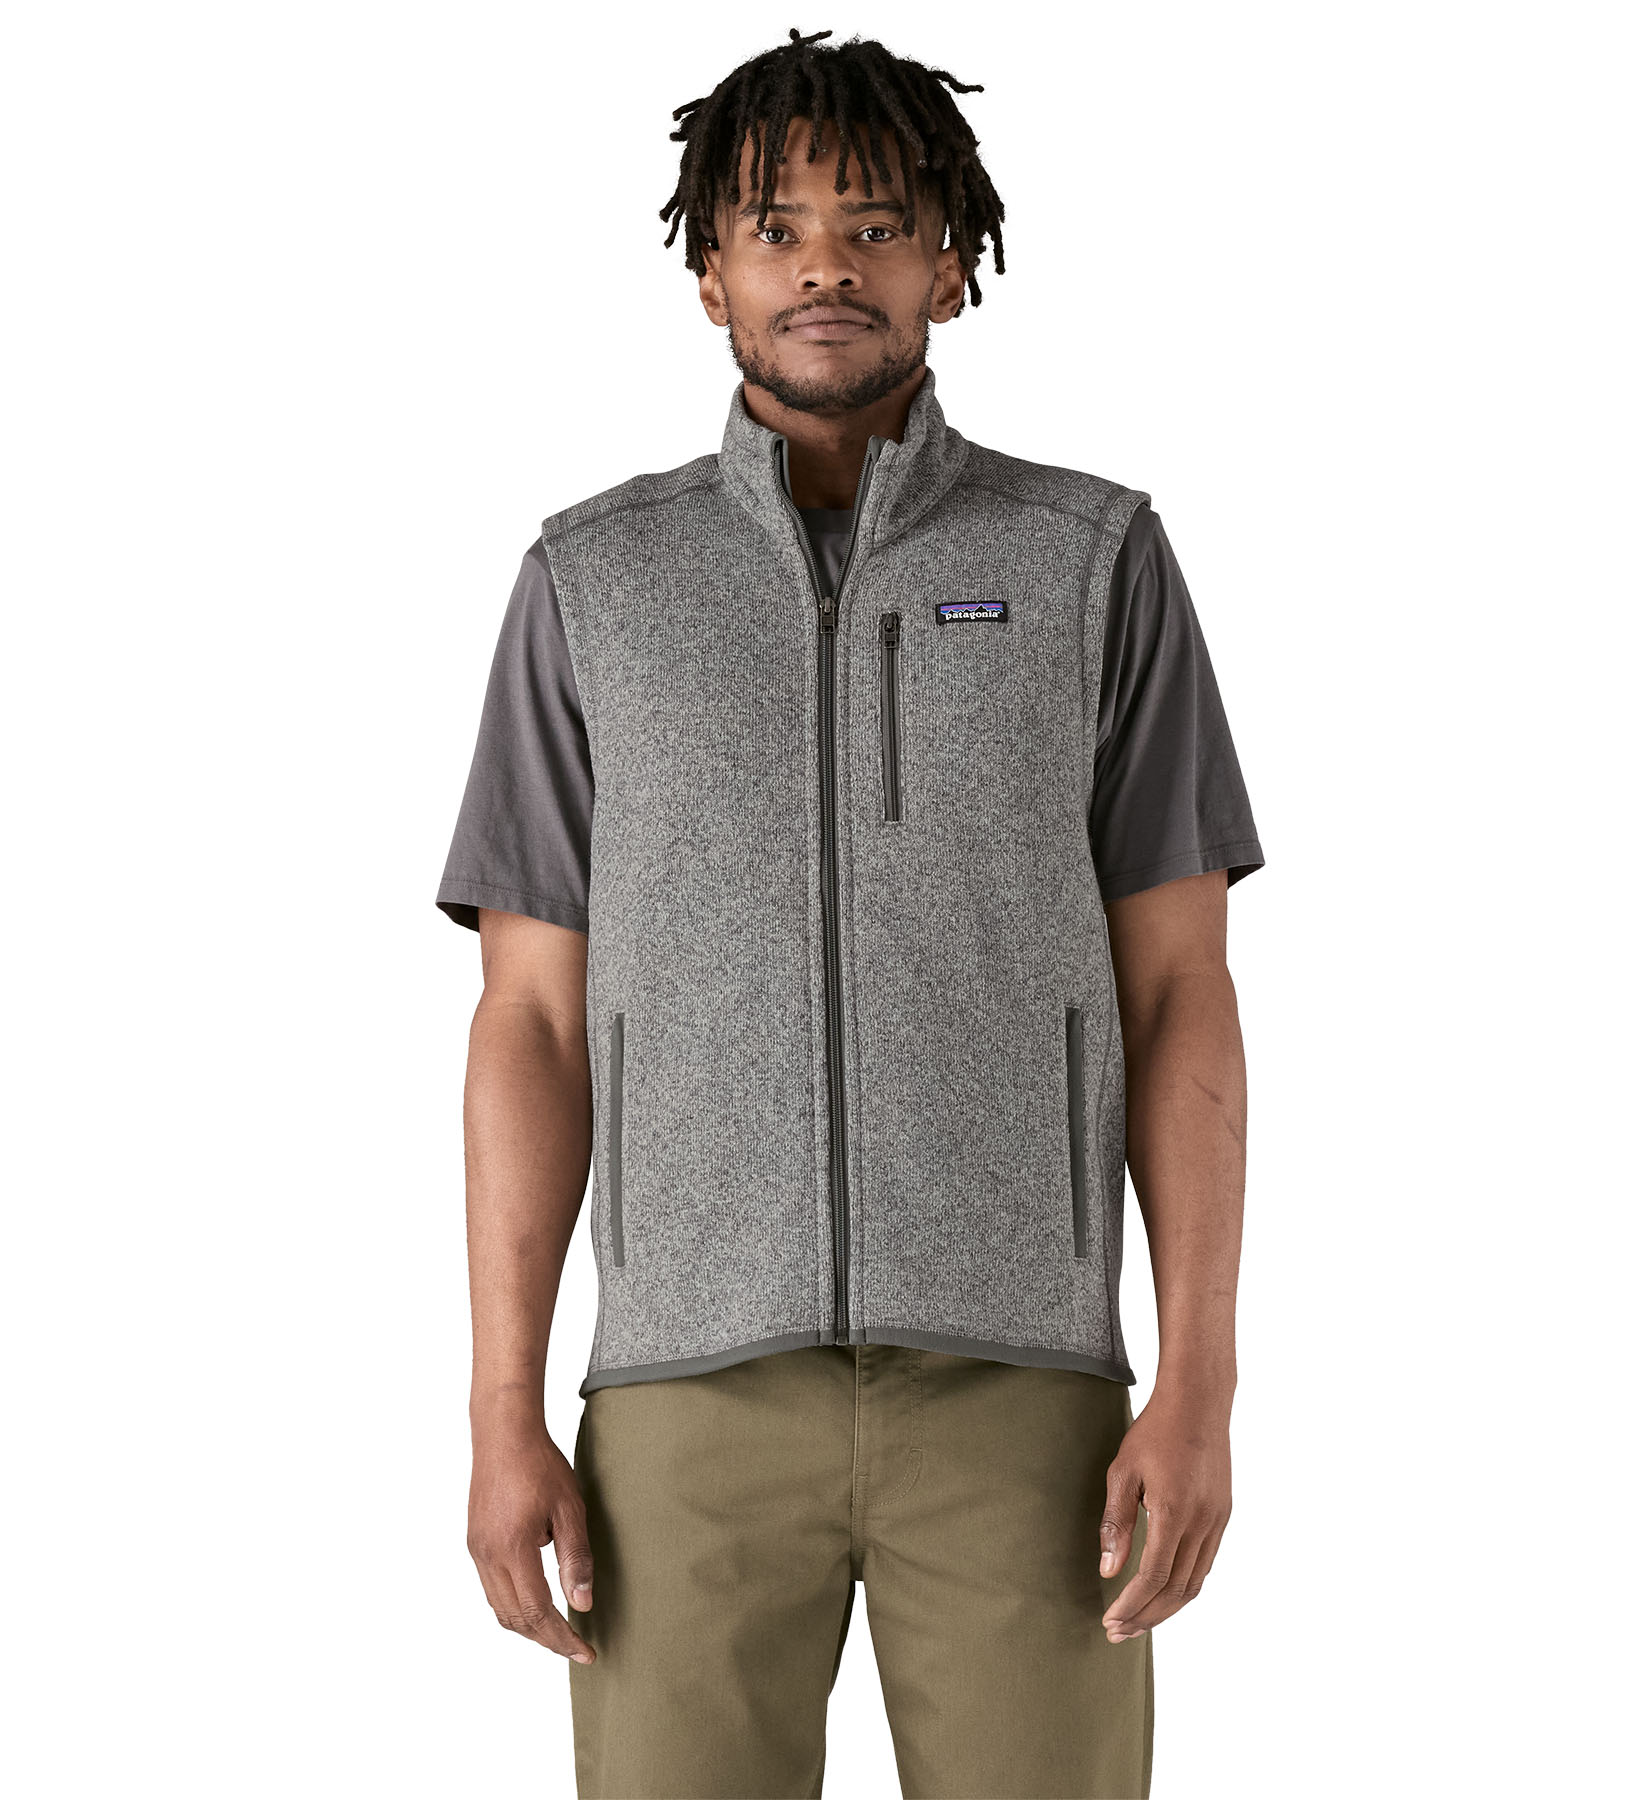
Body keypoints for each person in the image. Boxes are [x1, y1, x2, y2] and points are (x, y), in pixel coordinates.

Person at [436, 27, 1265, 1799]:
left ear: (950, 265)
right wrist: (506, 1404)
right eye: (777, 227)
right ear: (709, 272)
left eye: (877, 225)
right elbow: (530, 1021)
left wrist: (1199, 1381)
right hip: (683, 1403)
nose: (827, 264)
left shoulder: (1091, 559)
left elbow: (1181, 991)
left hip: (1027, 1399)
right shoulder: (592, 581)